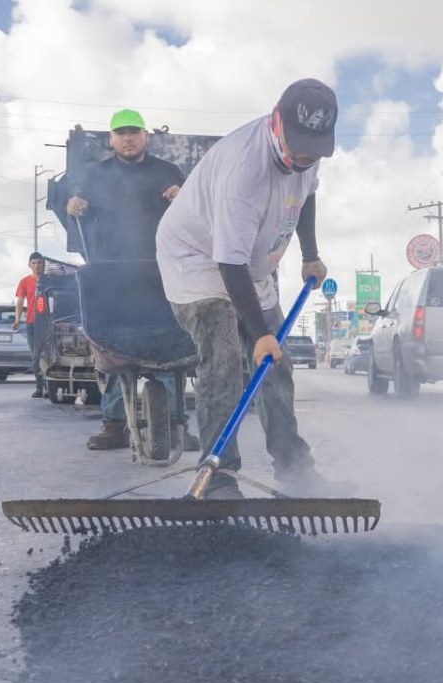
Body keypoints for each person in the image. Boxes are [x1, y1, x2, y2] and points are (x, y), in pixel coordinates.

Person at [154, 78, 352, 499]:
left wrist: (310, 255)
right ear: (275, 120)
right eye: (298, 146)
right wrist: (259, 333)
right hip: (197, 259)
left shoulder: (308, 154)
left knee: (276, 364)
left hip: (252, 262)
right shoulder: (244, 172)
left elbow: (306, 195)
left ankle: (295, 470)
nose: (305, 157)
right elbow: (228, 262)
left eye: (314, 149)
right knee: (224, 357)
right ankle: (219, 476)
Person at [63, 108, 193, 451]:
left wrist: (182, 197)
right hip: (112, 274)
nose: (128, 138)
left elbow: (194, 214)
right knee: (111, 345)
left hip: (161, 272)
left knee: (171, 343)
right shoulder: (96, 175)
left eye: (134, 132)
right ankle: (114, 422)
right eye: (120, 133)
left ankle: (175, 421)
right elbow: (75, 213)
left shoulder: (168, 172)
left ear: (145, 136)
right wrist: (73, 207)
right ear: (111, 139)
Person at [14, 252, 46, 397]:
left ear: (43, 264)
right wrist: (17, 319)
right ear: (29, 265)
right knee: (35, 356)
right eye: (34, 263)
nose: (36, 266)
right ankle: (39, 387)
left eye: (39, 263)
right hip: (32, 323)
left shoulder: (49, 280)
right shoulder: (24, 282)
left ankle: (48, 385)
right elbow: (20, 302)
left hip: (47, 324)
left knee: (50, 355)